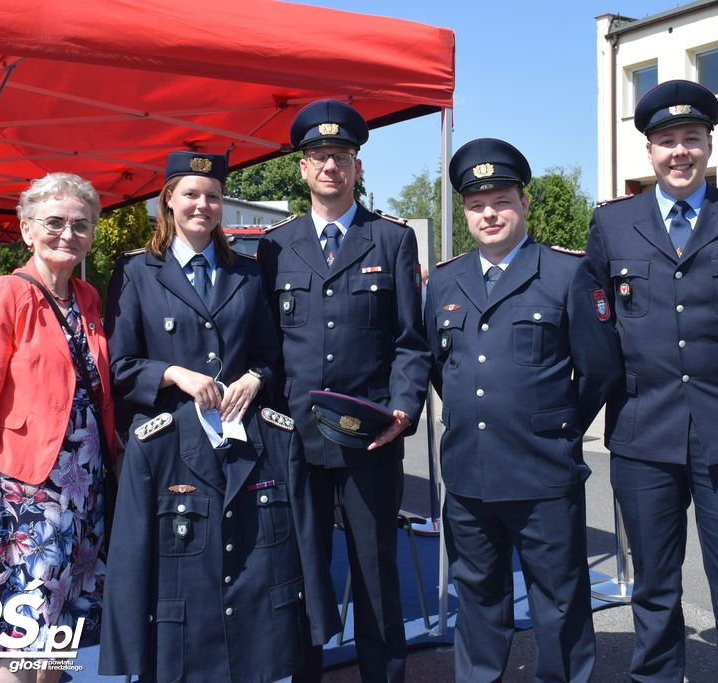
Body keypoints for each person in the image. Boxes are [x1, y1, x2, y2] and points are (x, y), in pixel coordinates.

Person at [585, 79, 718, 682]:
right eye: (667, 141)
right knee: (653, 584)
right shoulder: (614, 225)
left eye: (692, 139)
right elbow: (599, 323)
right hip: (643, 434)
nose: (680, 152)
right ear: (648, 151)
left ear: (709, 144)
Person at [424, 138, 622, 682]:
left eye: (502, 200)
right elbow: (443, 368)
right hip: (468, 473)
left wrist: (555, 426)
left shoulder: (565, 274)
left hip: (542, 472)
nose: (489, 213)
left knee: (558, 601)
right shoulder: (444, 280)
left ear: (524, 204)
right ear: (465, 210)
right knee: (479, 598)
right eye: (476, 203)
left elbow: (599, 370)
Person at [258, 99, 431, 683]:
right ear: (301, 169)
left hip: (371, 435)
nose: (329, 166)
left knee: (375, 569)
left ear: (356, 167)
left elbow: (412, 341)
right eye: (318, 157)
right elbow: (265, 344)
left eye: (341, 156)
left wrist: (402, 409)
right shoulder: (274, 247)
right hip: (296, 439)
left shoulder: (391, 240)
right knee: (302, 566)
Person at [0, 173, 117, 682]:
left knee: (61, 629)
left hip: (83, 491)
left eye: (81, 225)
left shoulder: (87, 298)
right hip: (25, 496)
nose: (68, 234)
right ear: (26, 230)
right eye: (55, 222)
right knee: (21, 638)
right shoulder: (4, 294)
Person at [99, 400, 340, 682]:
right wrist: (126, 649)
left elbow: (307, 537)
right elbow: (129, 553)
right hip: (183, 639)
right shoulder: (153, 445)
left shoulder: (279, 437)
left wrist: (318, 621)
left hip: (262, 631)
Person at [104, 151, 278, 432]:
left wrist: (254, 378)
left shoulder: (249, 274)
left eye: (212, 196)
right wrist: (172, 373)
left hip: (237, 435)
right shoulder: (134, 272)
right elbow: (120, 367)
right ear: (169, 199)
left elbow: (270, 355)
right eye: (191, 195)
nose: (202, 205)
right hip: (168, 434)